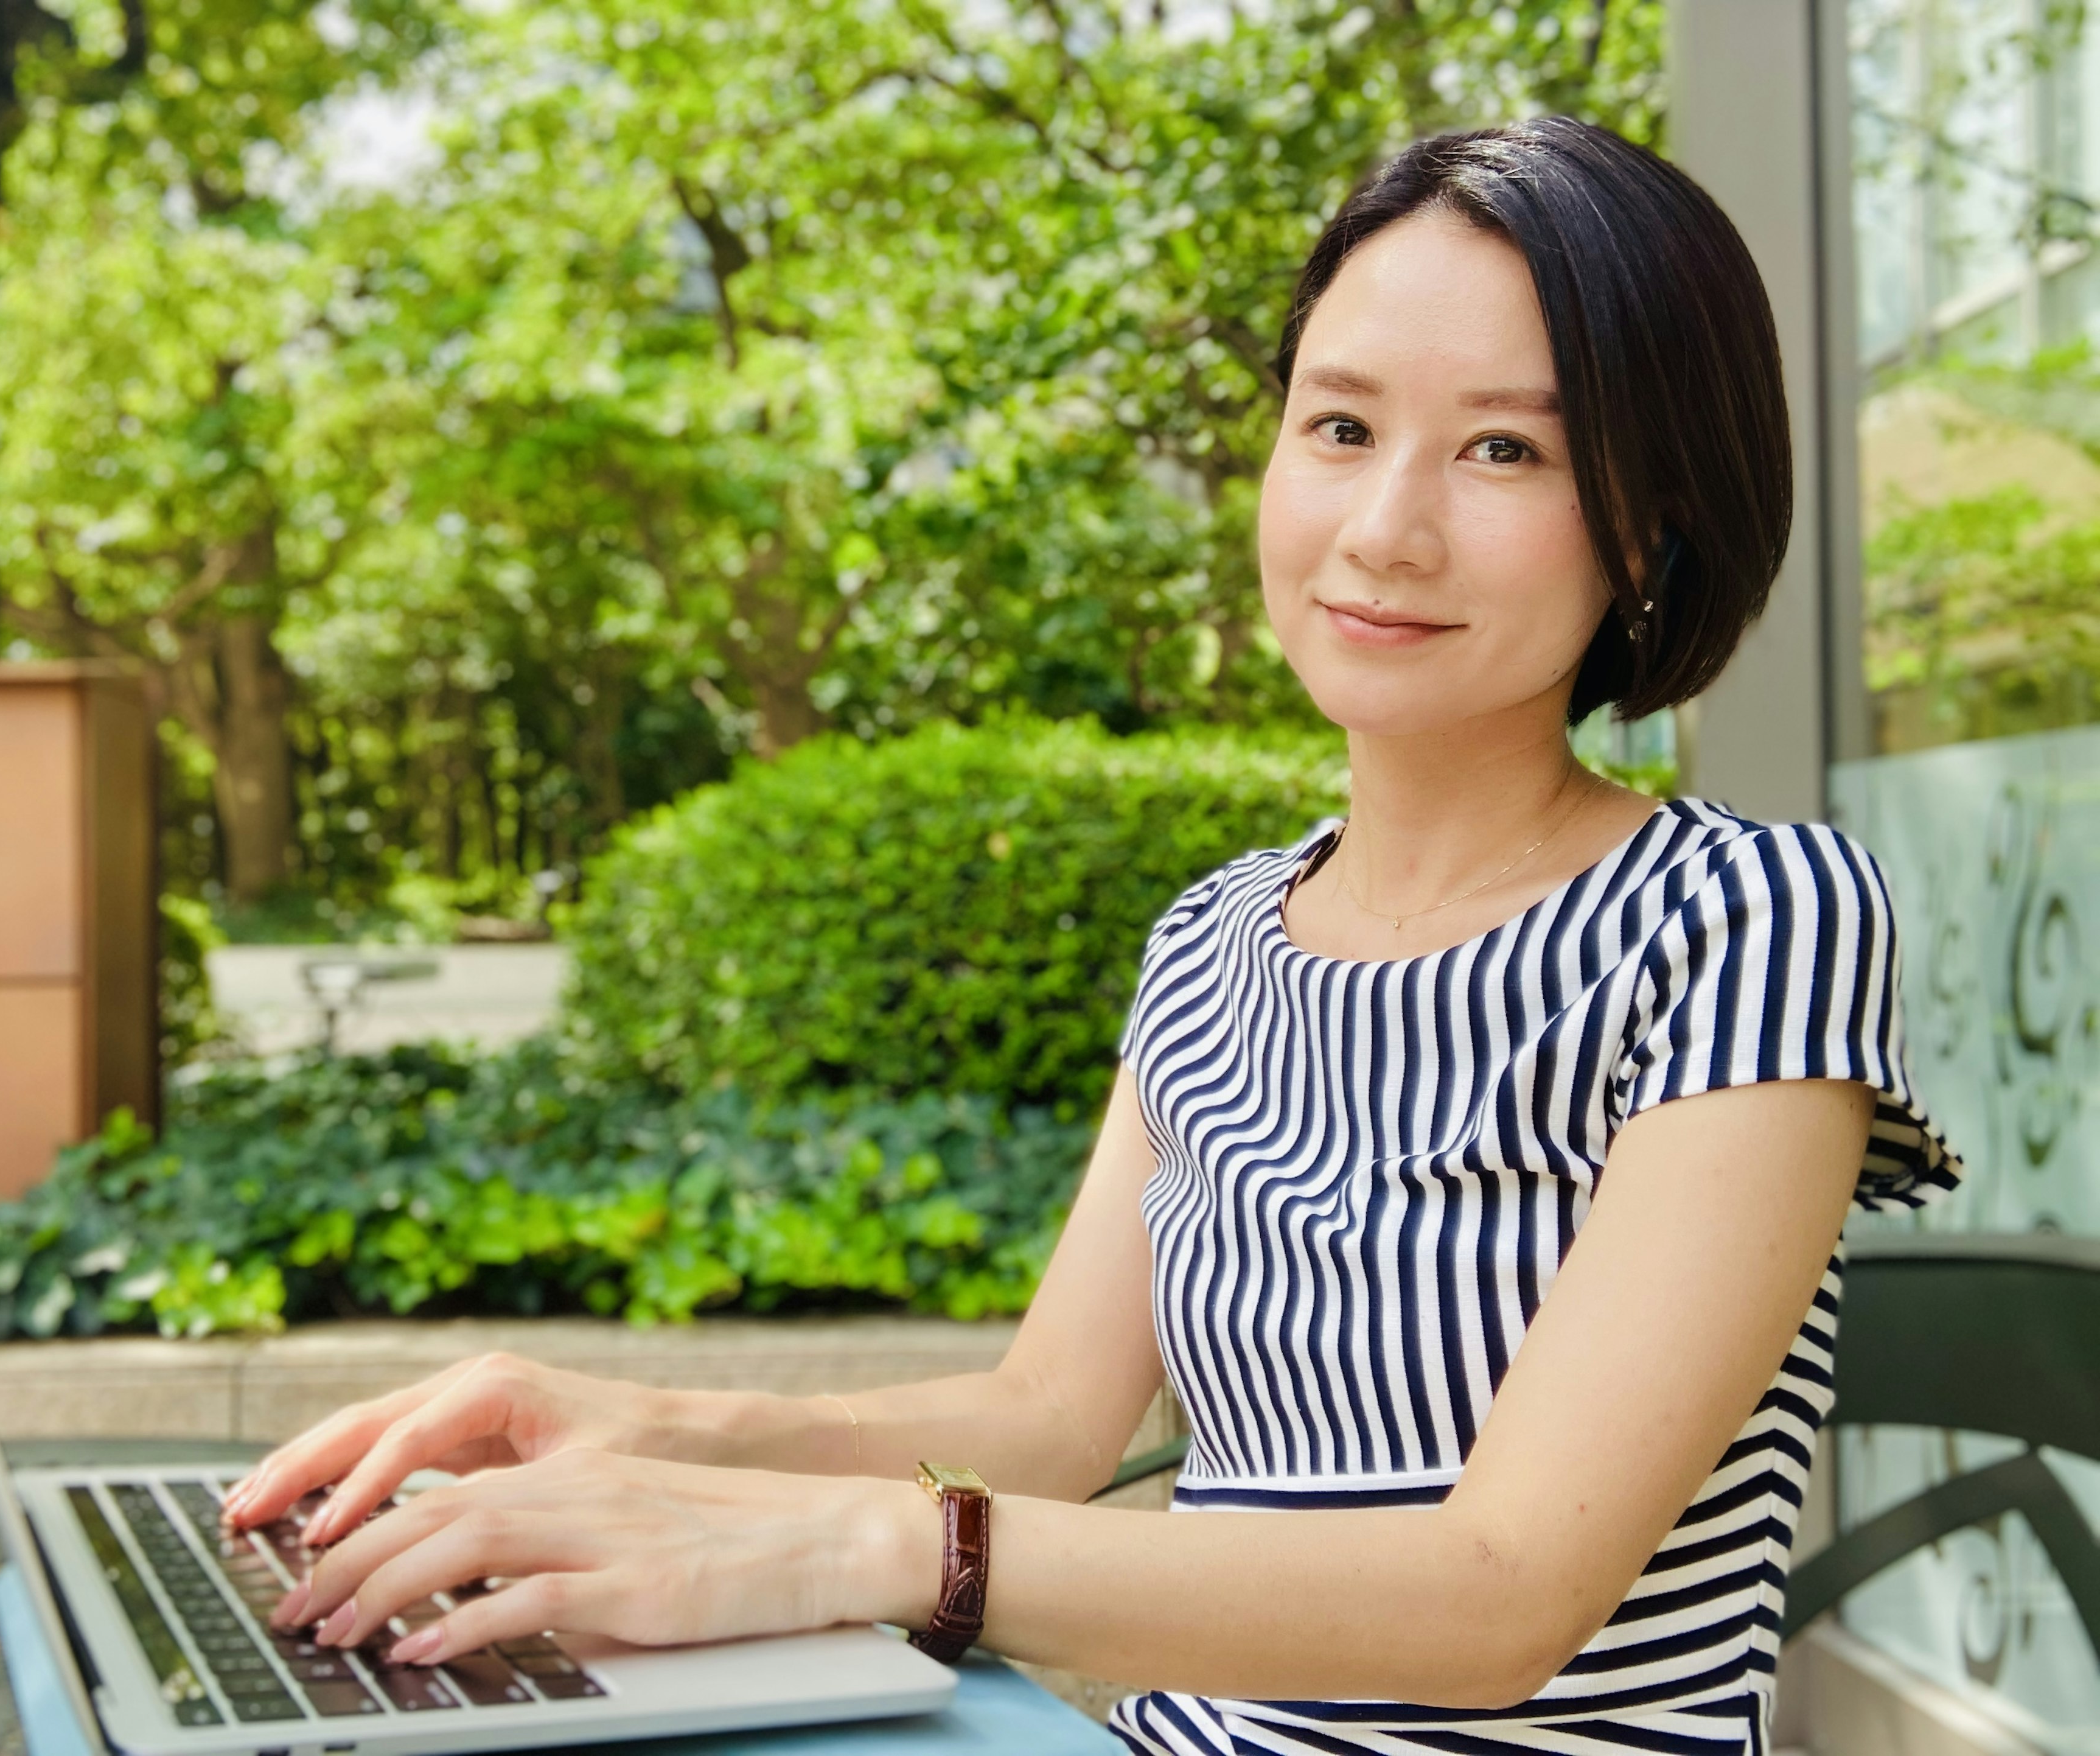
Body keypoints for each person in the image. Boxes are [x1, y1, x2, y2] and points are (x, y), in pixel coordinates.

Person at [222, 117, 1961, 1754]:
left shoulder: (1743, 918)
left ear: (1653, 520)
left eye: (1506, 448)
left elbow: (1495, 1599)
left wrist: (851, 1548)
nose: (1384, 527)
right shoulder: (1217, 941)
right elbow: (1056, 1421)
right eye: (1339, 427)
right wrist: (630, 1426)